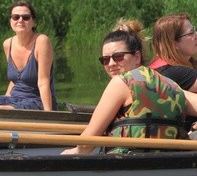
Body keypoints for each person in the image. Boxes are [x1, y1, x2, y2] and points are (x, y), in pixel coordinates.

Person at [62, 20, 196, 155]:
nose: (111, 64)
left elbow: (85, 145)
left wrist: (68, 153)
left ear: (137, 57)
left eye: (118, 57)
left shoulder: (120, 83)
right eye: (105, 60)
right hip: (170, 165)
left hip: (127, 165)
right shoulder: (170, 84)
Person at [0, 0, 57, 111]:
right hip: (13, 98)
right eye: (16, 17)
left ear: (33, 21)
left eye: (25, 17)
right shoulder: (7, 44)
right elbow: (14, 80)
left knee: (1, 110)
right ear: (11, 21)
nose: (20, 20)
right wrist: (6, 98)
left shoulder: (42, 41)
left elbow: (43, 82)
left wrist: (48, 114)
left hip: (36, 100)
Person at [150, 13, 197, 135]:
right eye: (191, 33)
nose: (196, 35)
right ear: (174, 43)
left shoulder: (161, 68)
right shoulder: (172, 72)